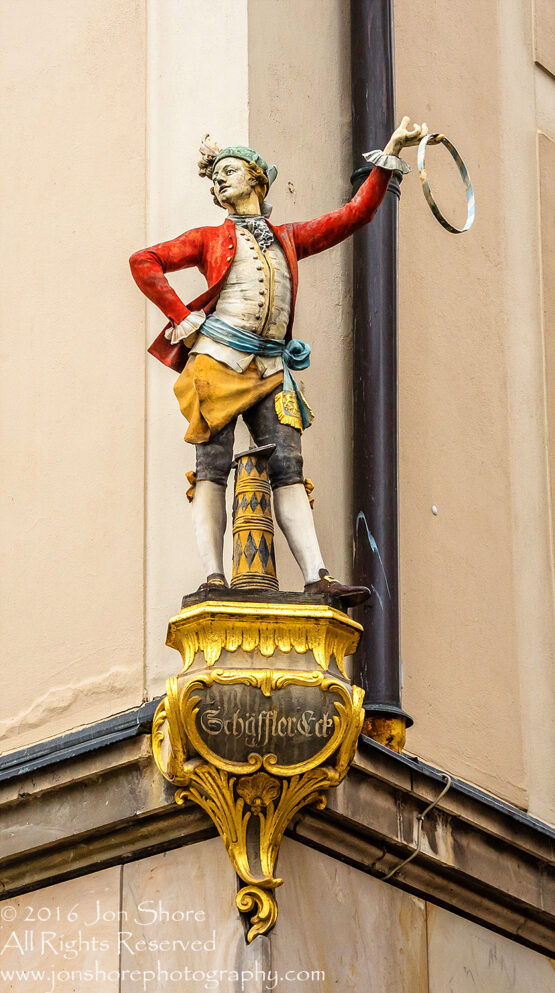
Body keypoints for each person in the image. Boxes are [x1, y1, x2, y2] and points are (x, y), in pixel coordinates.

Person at [130, 117, 429, 601]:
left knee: (288, 466)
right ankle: (213, 577)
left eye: (229, 170)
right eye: (215, 175)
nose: (220, 179)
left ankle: (317, 577)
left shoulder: (288, 237)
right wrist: (182, 317)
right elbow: (143, 260)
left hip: (272, 369)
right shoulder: (209, 237)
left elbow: (354, 215)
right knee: (212, 466)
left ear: (256, 178)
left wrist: (391, 152)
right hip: (216, 363)